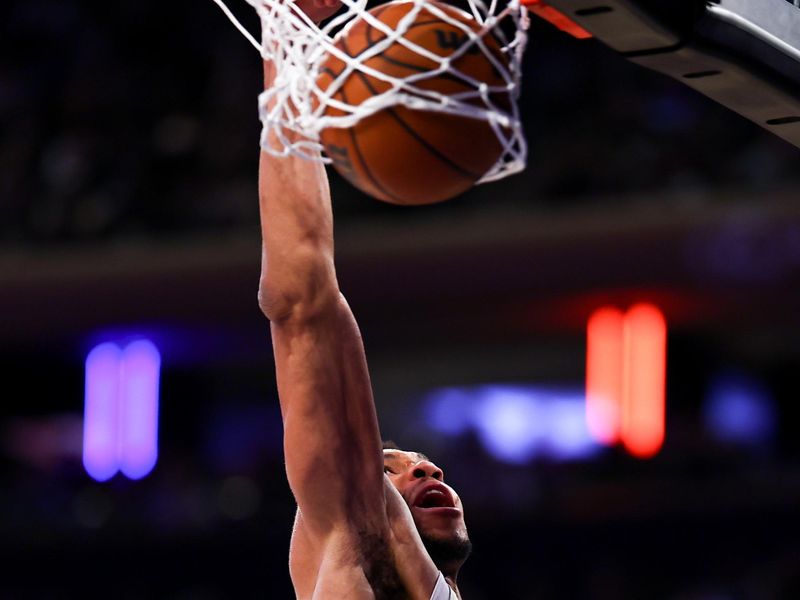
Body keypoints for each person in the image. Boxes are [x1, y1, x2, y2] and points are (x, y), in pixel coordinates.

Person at [255, 0, 471, 598]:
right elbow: (301, 304)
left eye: (404, 466)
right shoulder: (354, 542)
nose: (427, 469)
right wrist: (289, 49)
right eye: (394, 468)